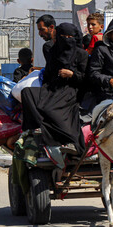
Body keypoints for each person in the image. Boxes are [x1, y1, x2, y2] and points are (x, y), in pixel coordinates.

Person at [21, 23, 89, 155]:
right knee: (27, 93)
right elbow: (48, 73)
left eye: (70, 37)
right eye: (64, 36)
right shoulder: (53, 52)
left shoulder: (81, 54)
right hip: (52, 88)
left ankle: (66, 139)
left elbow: (85, 79)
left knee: (48, 108)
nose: (67, 40)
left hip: (70, 90)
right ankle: (38, 128)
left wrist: (72, 75)